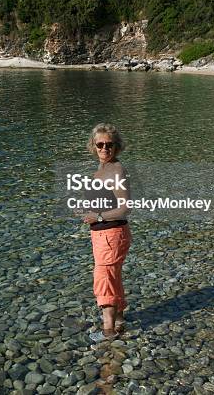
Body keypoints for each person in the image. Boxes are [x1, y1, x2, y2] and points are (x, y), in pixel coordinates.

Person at [83, 123, 132, 343]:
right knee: (112, 276)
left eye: (109, 145)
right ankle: (119, 319)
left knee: (104, 279)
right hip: (104, 234)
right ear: (93, 146)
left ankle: (108, 331)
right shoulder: (101, 170)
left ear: (116, 146)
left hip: (111, 234)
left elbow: (125, 207)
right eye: (100, 144)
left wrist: (99, 217)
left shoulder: (116, 170)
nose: (104, 148)